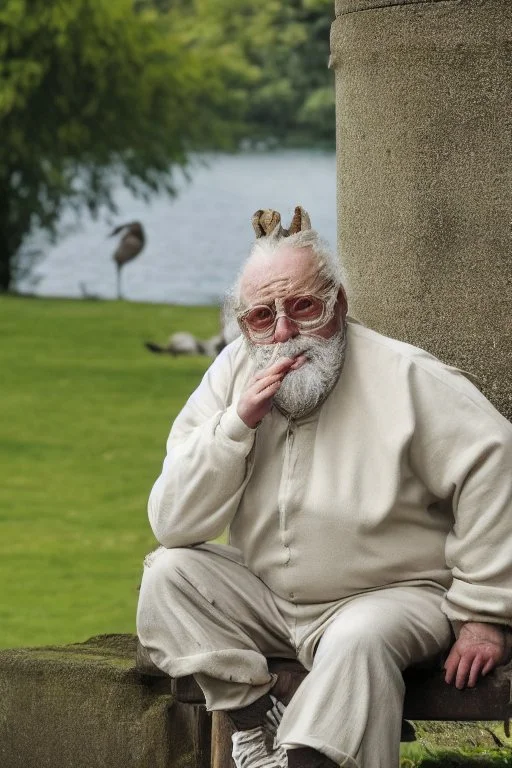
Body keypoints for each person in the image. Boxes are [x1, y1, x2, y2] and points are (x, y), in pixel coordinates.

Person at [136, 206, 512, 768]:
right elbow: (174, 524)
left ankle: (306, 757)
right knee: (168, 575)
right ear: (242, 326)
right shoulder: (234, 372)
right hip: (269, 602)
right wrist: (236, 426)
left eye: (303, 307)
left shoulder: (406, 376)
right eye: (262, 317)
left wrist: (485, 612)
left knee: (358, 639)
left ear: (339, 303)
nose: (283, 333)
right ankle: (256, 724)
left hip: (392, 597)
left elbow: (496, 459)